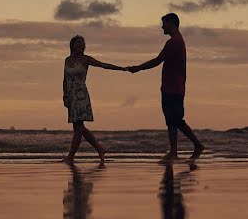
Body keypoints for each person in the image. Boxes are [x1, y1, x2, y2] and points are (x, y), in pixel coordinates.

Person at [127, 13, 205, 161]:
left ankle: (197, 145)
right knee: (170, 120)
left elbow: (157, 60)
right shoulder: (177, 41)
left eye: (164, 23)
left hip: (174, 88)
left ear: (172, 23)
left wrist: (138, 68)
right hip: (171, 87)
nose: (162, 26)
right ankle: (174, 152)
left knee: (176, 120)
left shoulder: (174, 42)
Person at [62, 35, 125, 163]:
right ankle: (100, 149)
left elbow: (103, 65)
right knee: (79, 127)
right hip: (71, 96)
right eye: (79, 43)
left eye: (83, 43)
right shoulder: (67, 60)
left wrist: (121, 68)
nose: (82, 45)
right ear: (72, 45)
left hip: (81, 95)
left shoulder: (86, 59)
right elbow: (65, 79)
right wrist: (65, 96)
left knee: (78, 127)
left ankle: (70, 157)